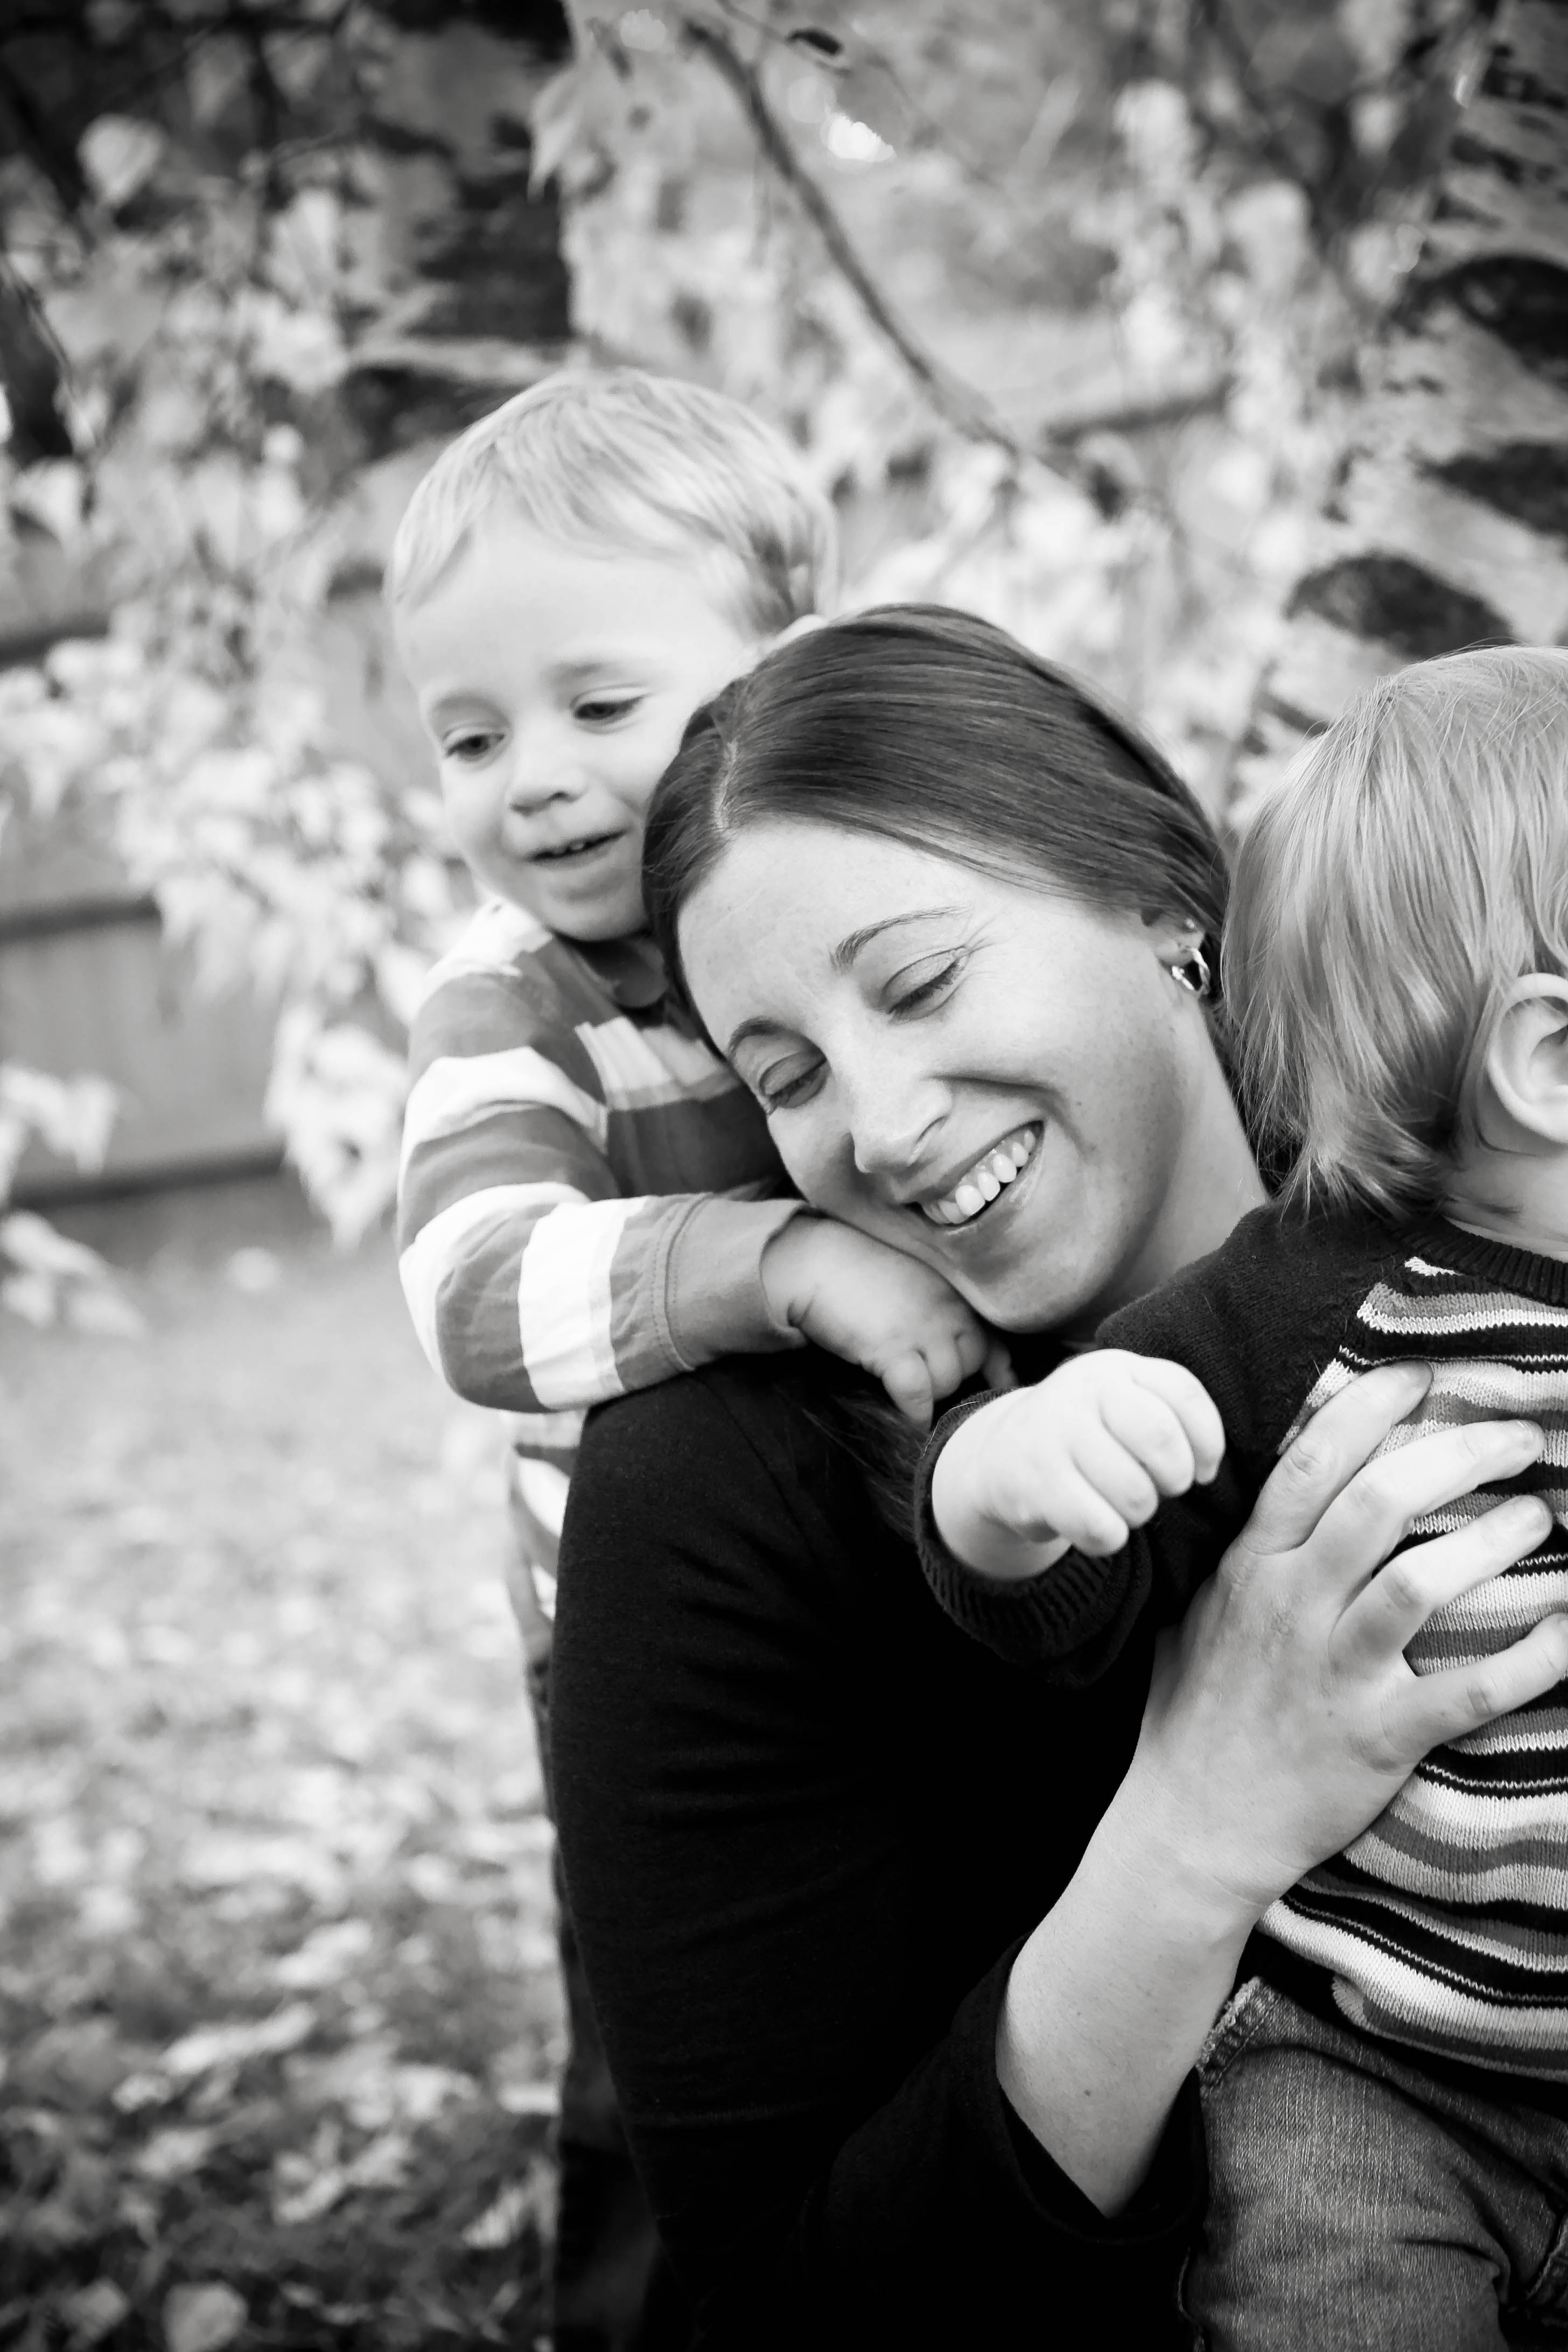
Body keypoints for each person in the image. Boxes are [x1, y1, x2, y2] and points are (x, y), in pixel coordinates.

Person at [548, 607, 1568, 2347]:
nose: (879, 1127)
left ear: (1166, 906)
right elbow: (783, 2317)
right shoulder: (716, 1498)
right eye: (786, 1078)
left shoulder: (1493, 1209)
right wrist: (1196, 1831)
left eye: (921, 982)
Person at [388, 380, 1000, 2349]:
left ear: (777, 676)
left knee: (926, 1954)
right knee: (662, 2045)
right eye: (471, 736)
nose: (535, 781)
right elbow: (477, 1286)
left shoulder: (844, 908)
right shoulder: (512, 1009)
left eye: (598, 704)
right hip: (646, 1660)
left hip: (908, 1547)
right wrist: (782, 1264)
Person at [924, 645, 1568, 2349]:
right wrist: (1008, 1481)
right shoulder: (1307, 1304)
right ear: (1553, 1059)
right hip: (1381, 2073)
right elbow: (1066, 1599)